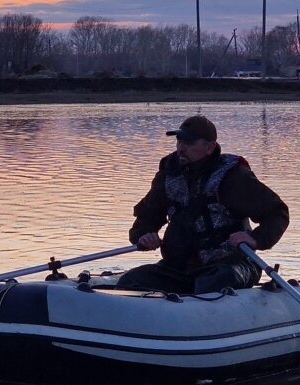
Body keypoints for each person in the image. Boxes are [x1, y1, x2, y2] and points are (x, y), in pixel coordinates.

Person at [117, 115, 289, 294]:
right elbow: (148, 215)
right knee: (131, 281)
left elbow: (277, 213)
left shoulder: (233, 176)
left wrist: (256, 239)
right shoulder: (168, 175)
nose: (181, 148)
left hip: (230, 264)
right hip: (178, 267)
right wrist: (144, 235)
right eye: (179, 141)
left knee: (212, 282)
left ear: (210, 147)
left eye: (189, 143)